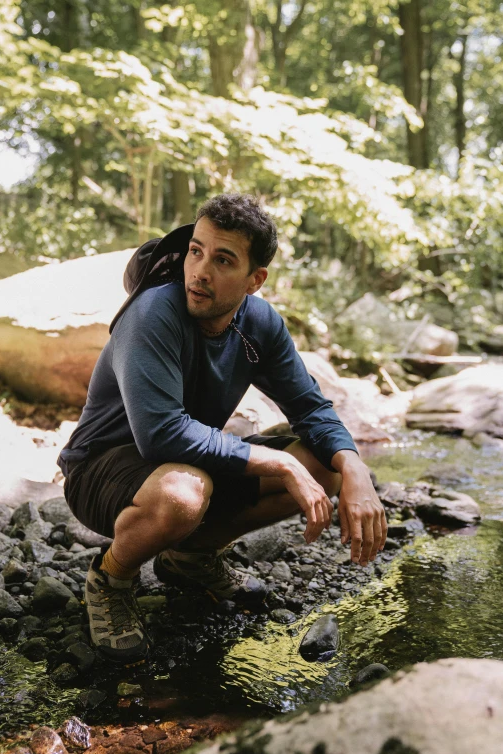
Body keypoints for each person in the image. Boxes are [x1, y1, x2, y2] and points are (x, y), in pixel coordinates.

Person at [57, 193, 387, 665]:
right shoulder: (153, 313)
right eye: (196, 250)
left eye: (223, 259)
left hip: (189, 465)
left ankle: (190, 558)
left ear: (255, 280)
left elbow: (310, 407)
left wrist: (355, 467)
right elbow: (161, 435)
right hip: (100, 469)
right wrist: (276, 462)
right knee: (185, 494)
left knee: (323, 468)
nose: (200, 271)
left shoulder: (260, 325)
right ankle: (110, 580)